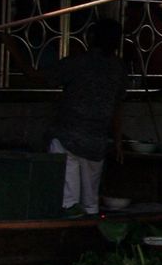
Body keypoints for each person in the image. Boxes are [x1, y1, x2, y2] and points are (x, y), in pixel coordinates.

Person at [39, 18, 130, 217]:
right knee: (89, 203)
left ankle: (71, 226)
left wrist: (11, 48)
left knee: (69, 203)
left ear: (91, 37)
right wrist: (117, 141)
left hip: (67, 138)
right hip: (95, 143)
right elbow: (118, 107)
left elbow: (38, 77)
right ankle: (88, 227)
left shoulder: (78, 63)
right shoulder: (118, 68)